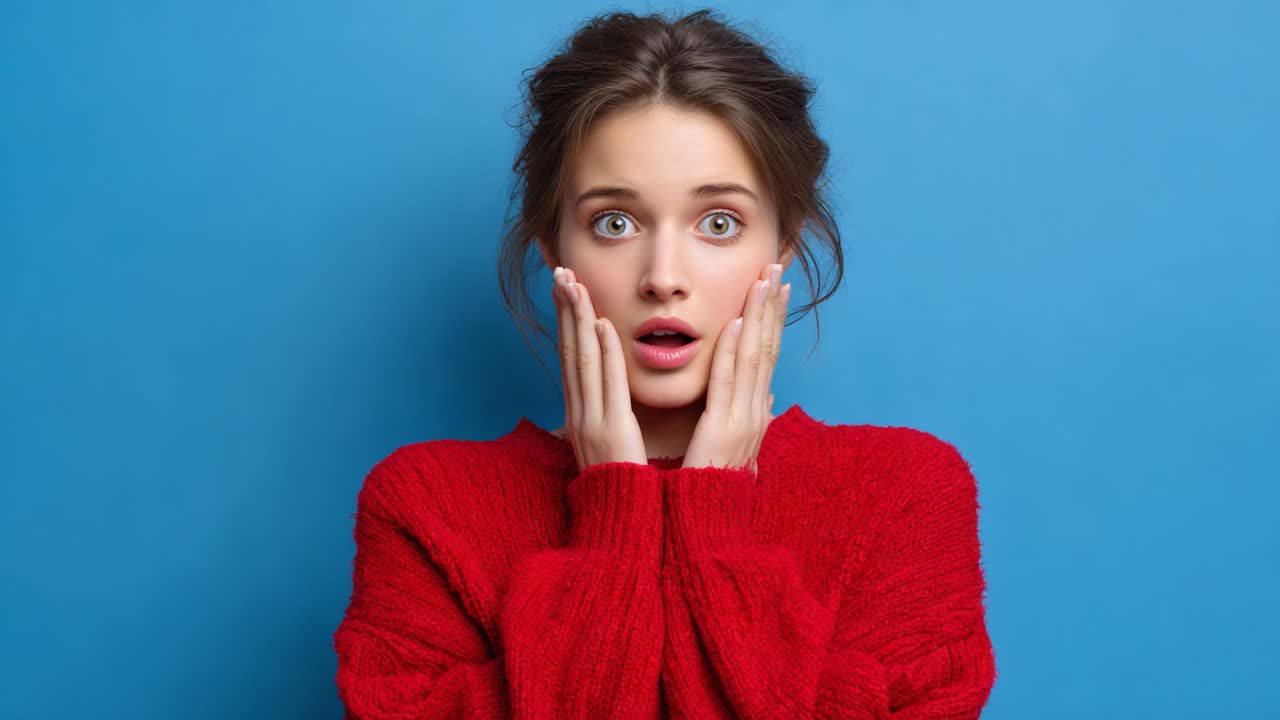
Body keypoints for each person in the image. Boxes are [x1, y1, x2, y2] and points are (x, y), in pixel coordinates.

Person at [333, 8, 996, 719]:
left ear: (783, 248)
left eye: (719, 223)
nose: (664, 276)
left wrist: (708, 512)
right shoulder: (427, 510)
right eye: (613, 223)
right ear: (555, 251)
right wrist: (617, 513)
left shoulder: (903, 497)